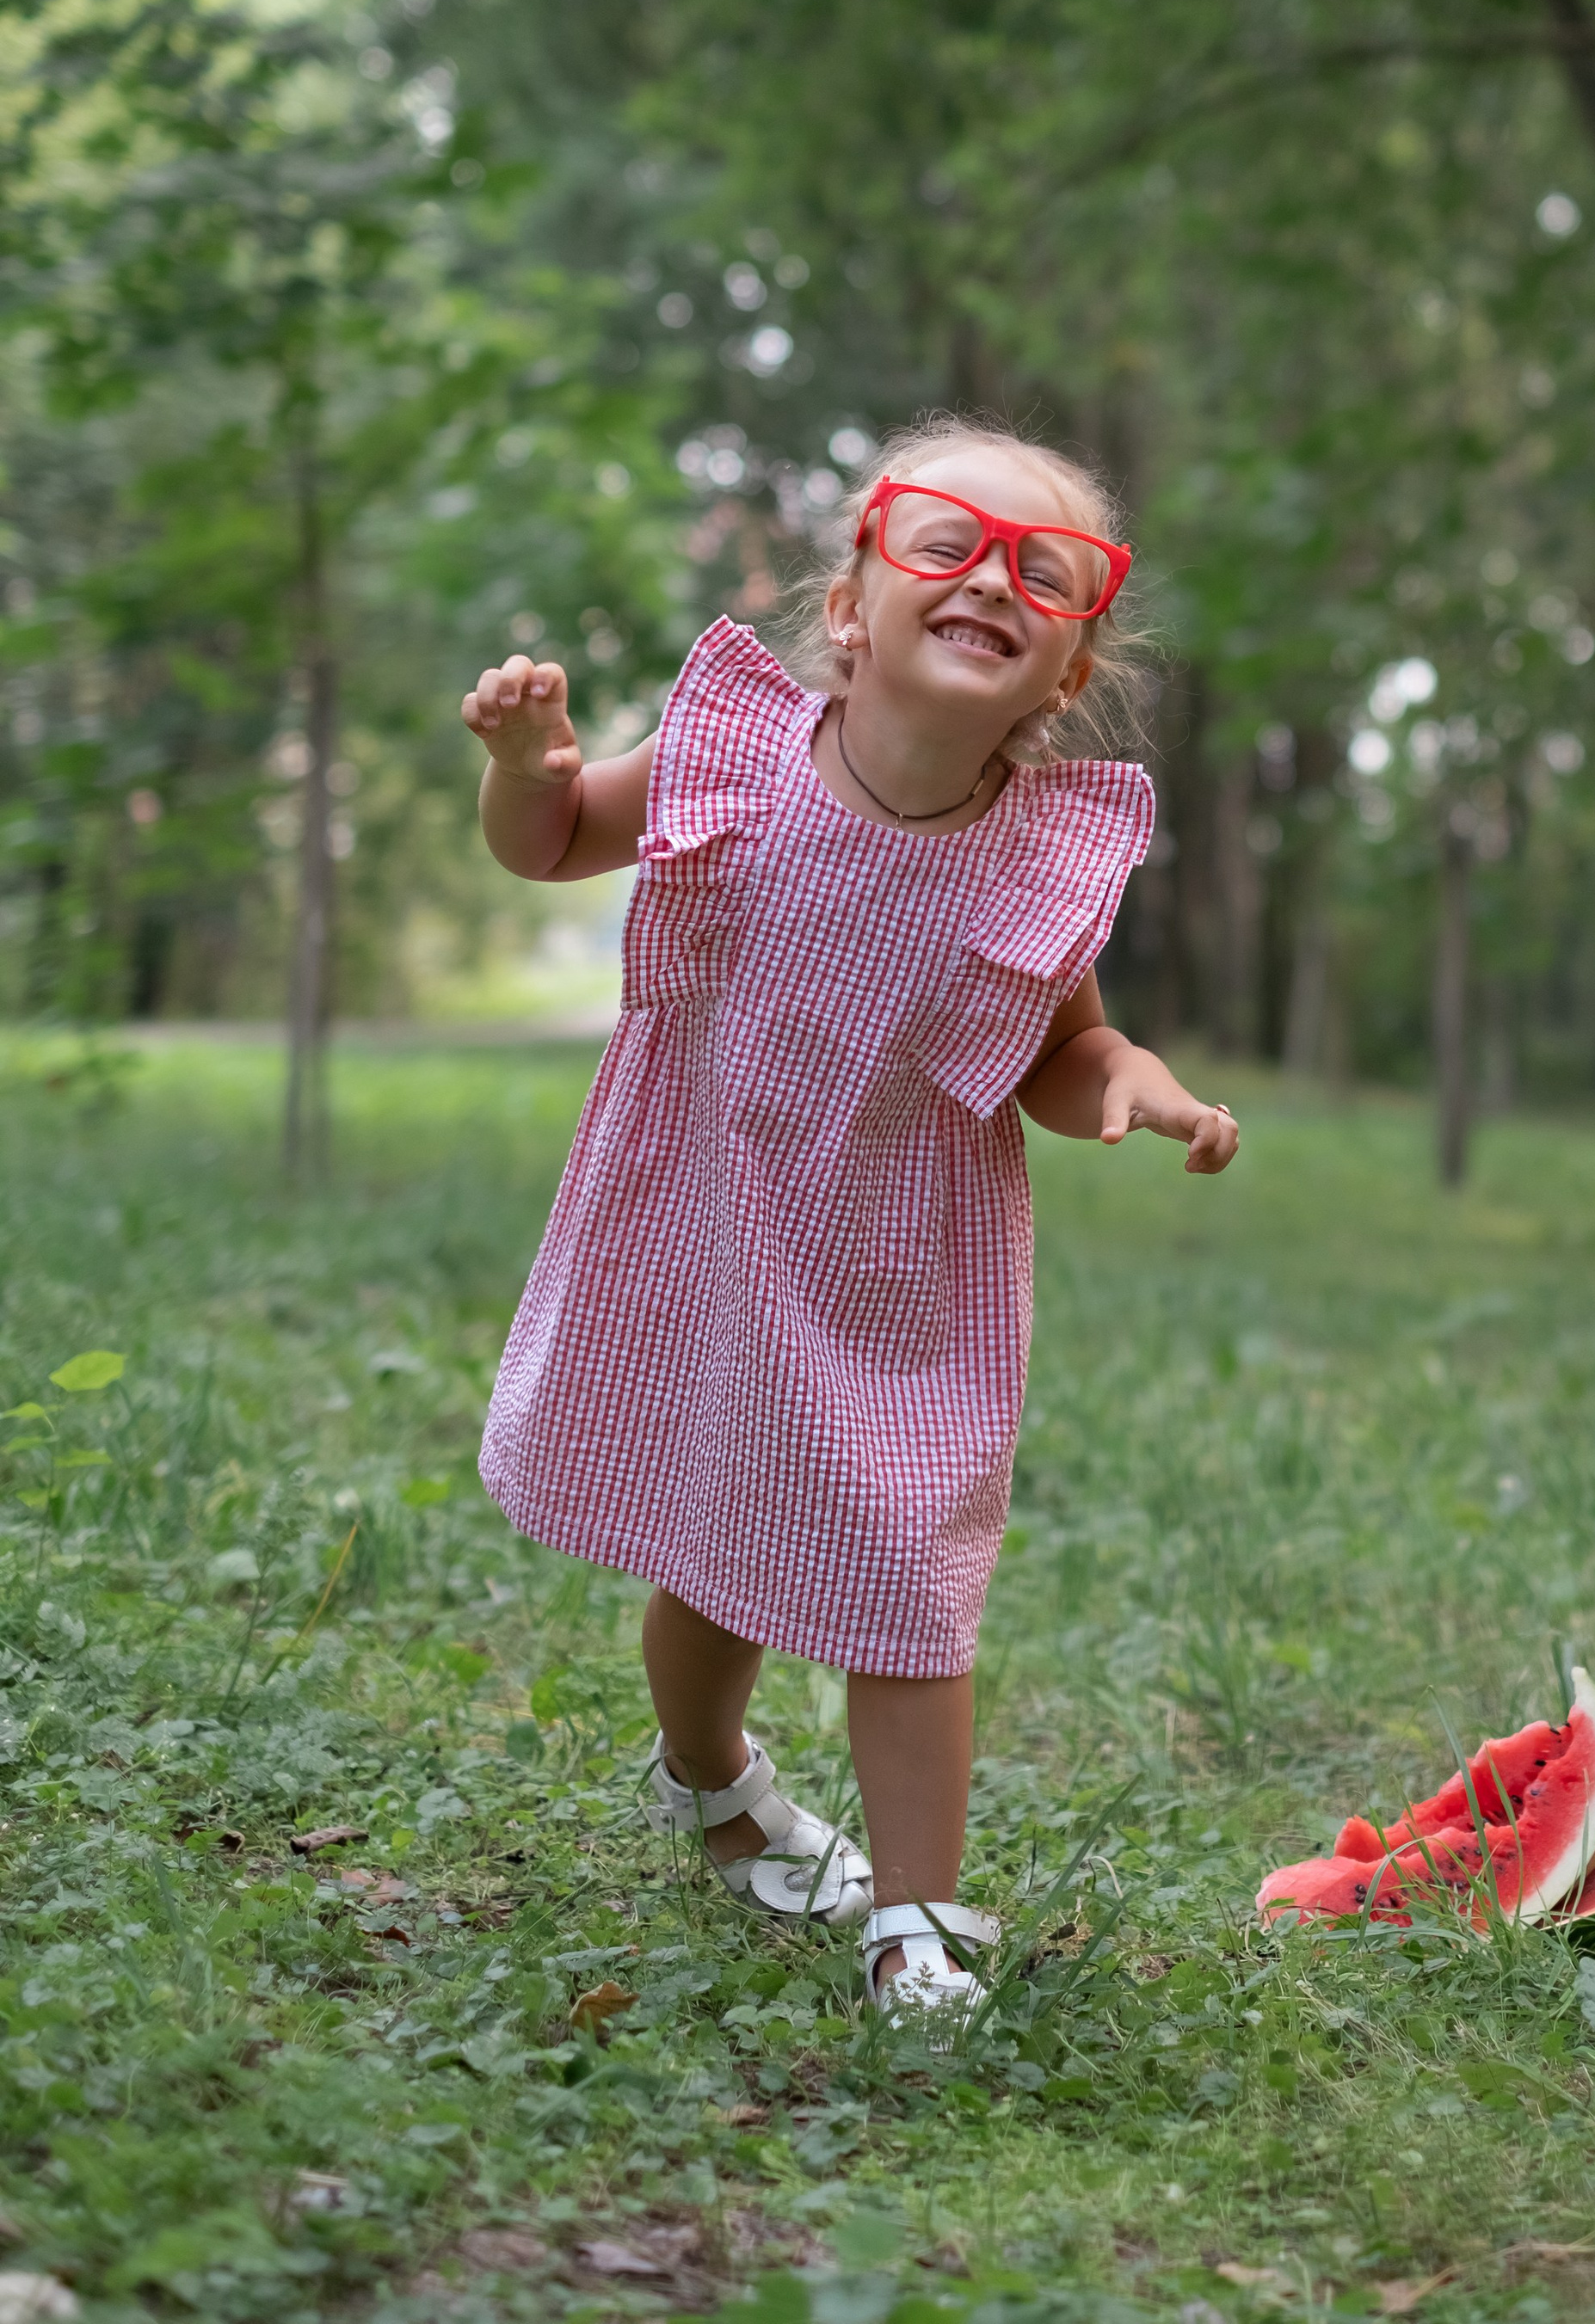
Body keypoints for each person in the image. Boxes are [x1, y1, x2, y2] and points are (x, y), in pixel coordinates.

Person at [461, 417, 1237, 2015]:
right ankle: (709, 1772)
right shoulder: (731, 757)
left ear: (1065, 674)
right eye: (945, 543)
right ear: (852, 606)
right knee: (711, 1550)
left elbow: (1055, 1043)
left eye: (1049, 573)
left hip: (904, 1267)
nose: (992, 582)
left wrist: (1127, 1077)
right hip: (708, 1218)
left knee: (905, 1569)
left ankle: (918, 1922)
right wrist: (521, 768)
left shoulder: (1034, 860)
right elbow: (551, 844)